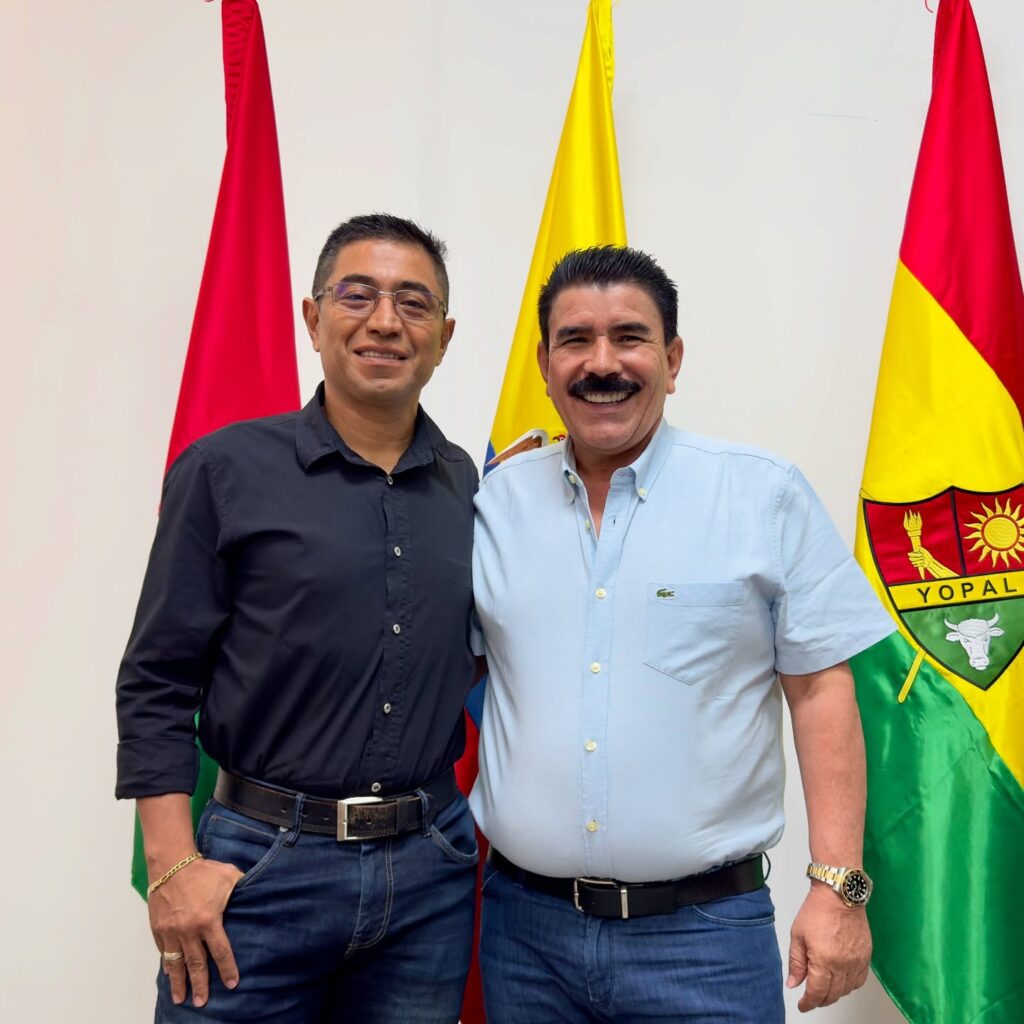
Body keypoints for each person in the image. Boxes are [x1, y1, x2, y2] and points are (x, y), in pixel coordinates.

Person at [470, 245, 895, 1022]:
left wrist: (840, 887)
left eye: (629, 337)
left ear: (672, 359)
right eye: (575, 340)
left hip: (704, 942)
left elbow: (820, 690)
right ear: (544, 364)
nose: (603, 363)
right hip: (524, 937)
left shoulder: (762, 495)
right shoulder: (494, 505)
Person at [116, 214, 479, 1022]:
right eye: (358, 295)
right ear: (312, 320)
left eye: (413, 302)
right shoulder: (224, 470)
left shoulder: (469, 487)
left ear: (444, 338)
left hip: (428, 878)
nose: (385, 321)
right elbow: (156, 679)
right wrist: (172, 867)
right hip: (259, 870)